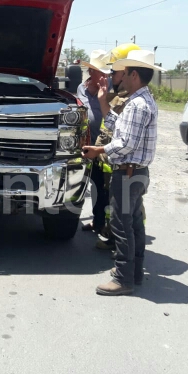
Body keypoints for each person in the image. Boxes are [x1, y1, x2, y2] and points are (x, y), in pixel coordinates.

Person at [81, 50, 165, 295]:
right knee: (134, 225)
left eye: (124, 73)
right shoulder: (142, 101)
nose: (120, 77)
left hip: (127, 174)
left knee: (122, 226)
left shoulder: (137, 104)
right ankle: (134, 273)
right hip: (136, 173)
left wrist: (99, 150)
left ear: (134, 74)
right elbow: (120, 128)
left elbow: (126, 143)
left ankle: (123, 279)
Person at [93, 43, 141, 252]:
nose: (111, 74)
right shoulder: (120, 94)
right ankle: (111, 236)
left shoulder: (129, 99)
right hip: (111, 160)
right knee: (111, 202)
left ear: (127, 71)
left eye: (114, 71)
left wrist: (100, 151)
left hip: (120, 161)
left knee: (124, 210)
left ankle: (124, 253)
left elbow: (117, 131)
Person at [76, 50, 112, 237]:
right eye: (99, 72)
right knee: (84, 184)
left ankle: (103, 225)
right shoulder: (81, 88)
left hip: (102, 148)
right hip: (84, 146)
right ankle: (95, 220)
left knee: (102, 186)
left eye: (105, 73)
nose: (104, 76)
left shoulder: (111, 90)